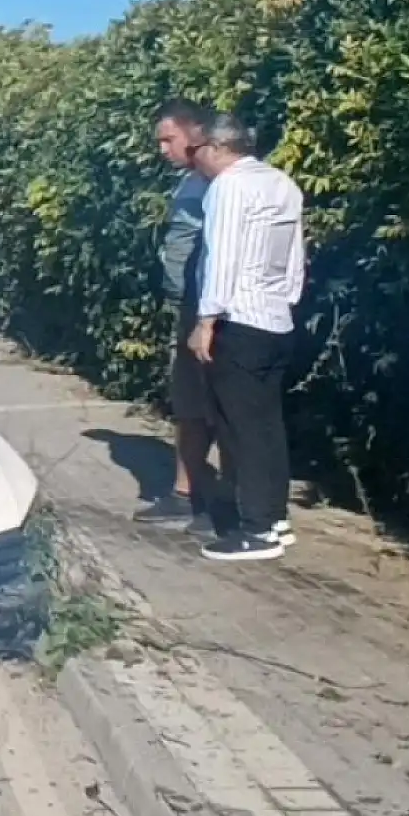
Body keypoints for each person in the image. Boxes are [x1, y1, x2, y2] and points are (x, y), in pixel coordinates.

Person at [187, 113, 306, 562]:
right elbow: (295, 254)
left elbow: (223, 257)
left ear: (217, 148)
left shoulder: (229, 187)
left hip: (239, 320)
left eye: (200, 151)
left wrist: (205, 320)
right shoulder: (281, 183)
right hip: (275, 319)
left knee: (240, 428)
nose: (197, 160)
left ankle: (257, 530)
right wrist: (286, 299)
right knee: (268, 426)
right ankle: (275, 518)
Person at [133, 98, 223, 537]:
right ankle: (184, 496)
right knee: (188, 406)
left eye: (169, 139)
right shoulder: (191, 181)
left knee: (222, 408)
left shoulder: (223, 185)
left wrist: (207, 312)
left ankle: (225, 506)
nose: (162, 149)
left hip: (215, 309)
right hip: (190, 307)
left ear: (195, 133)